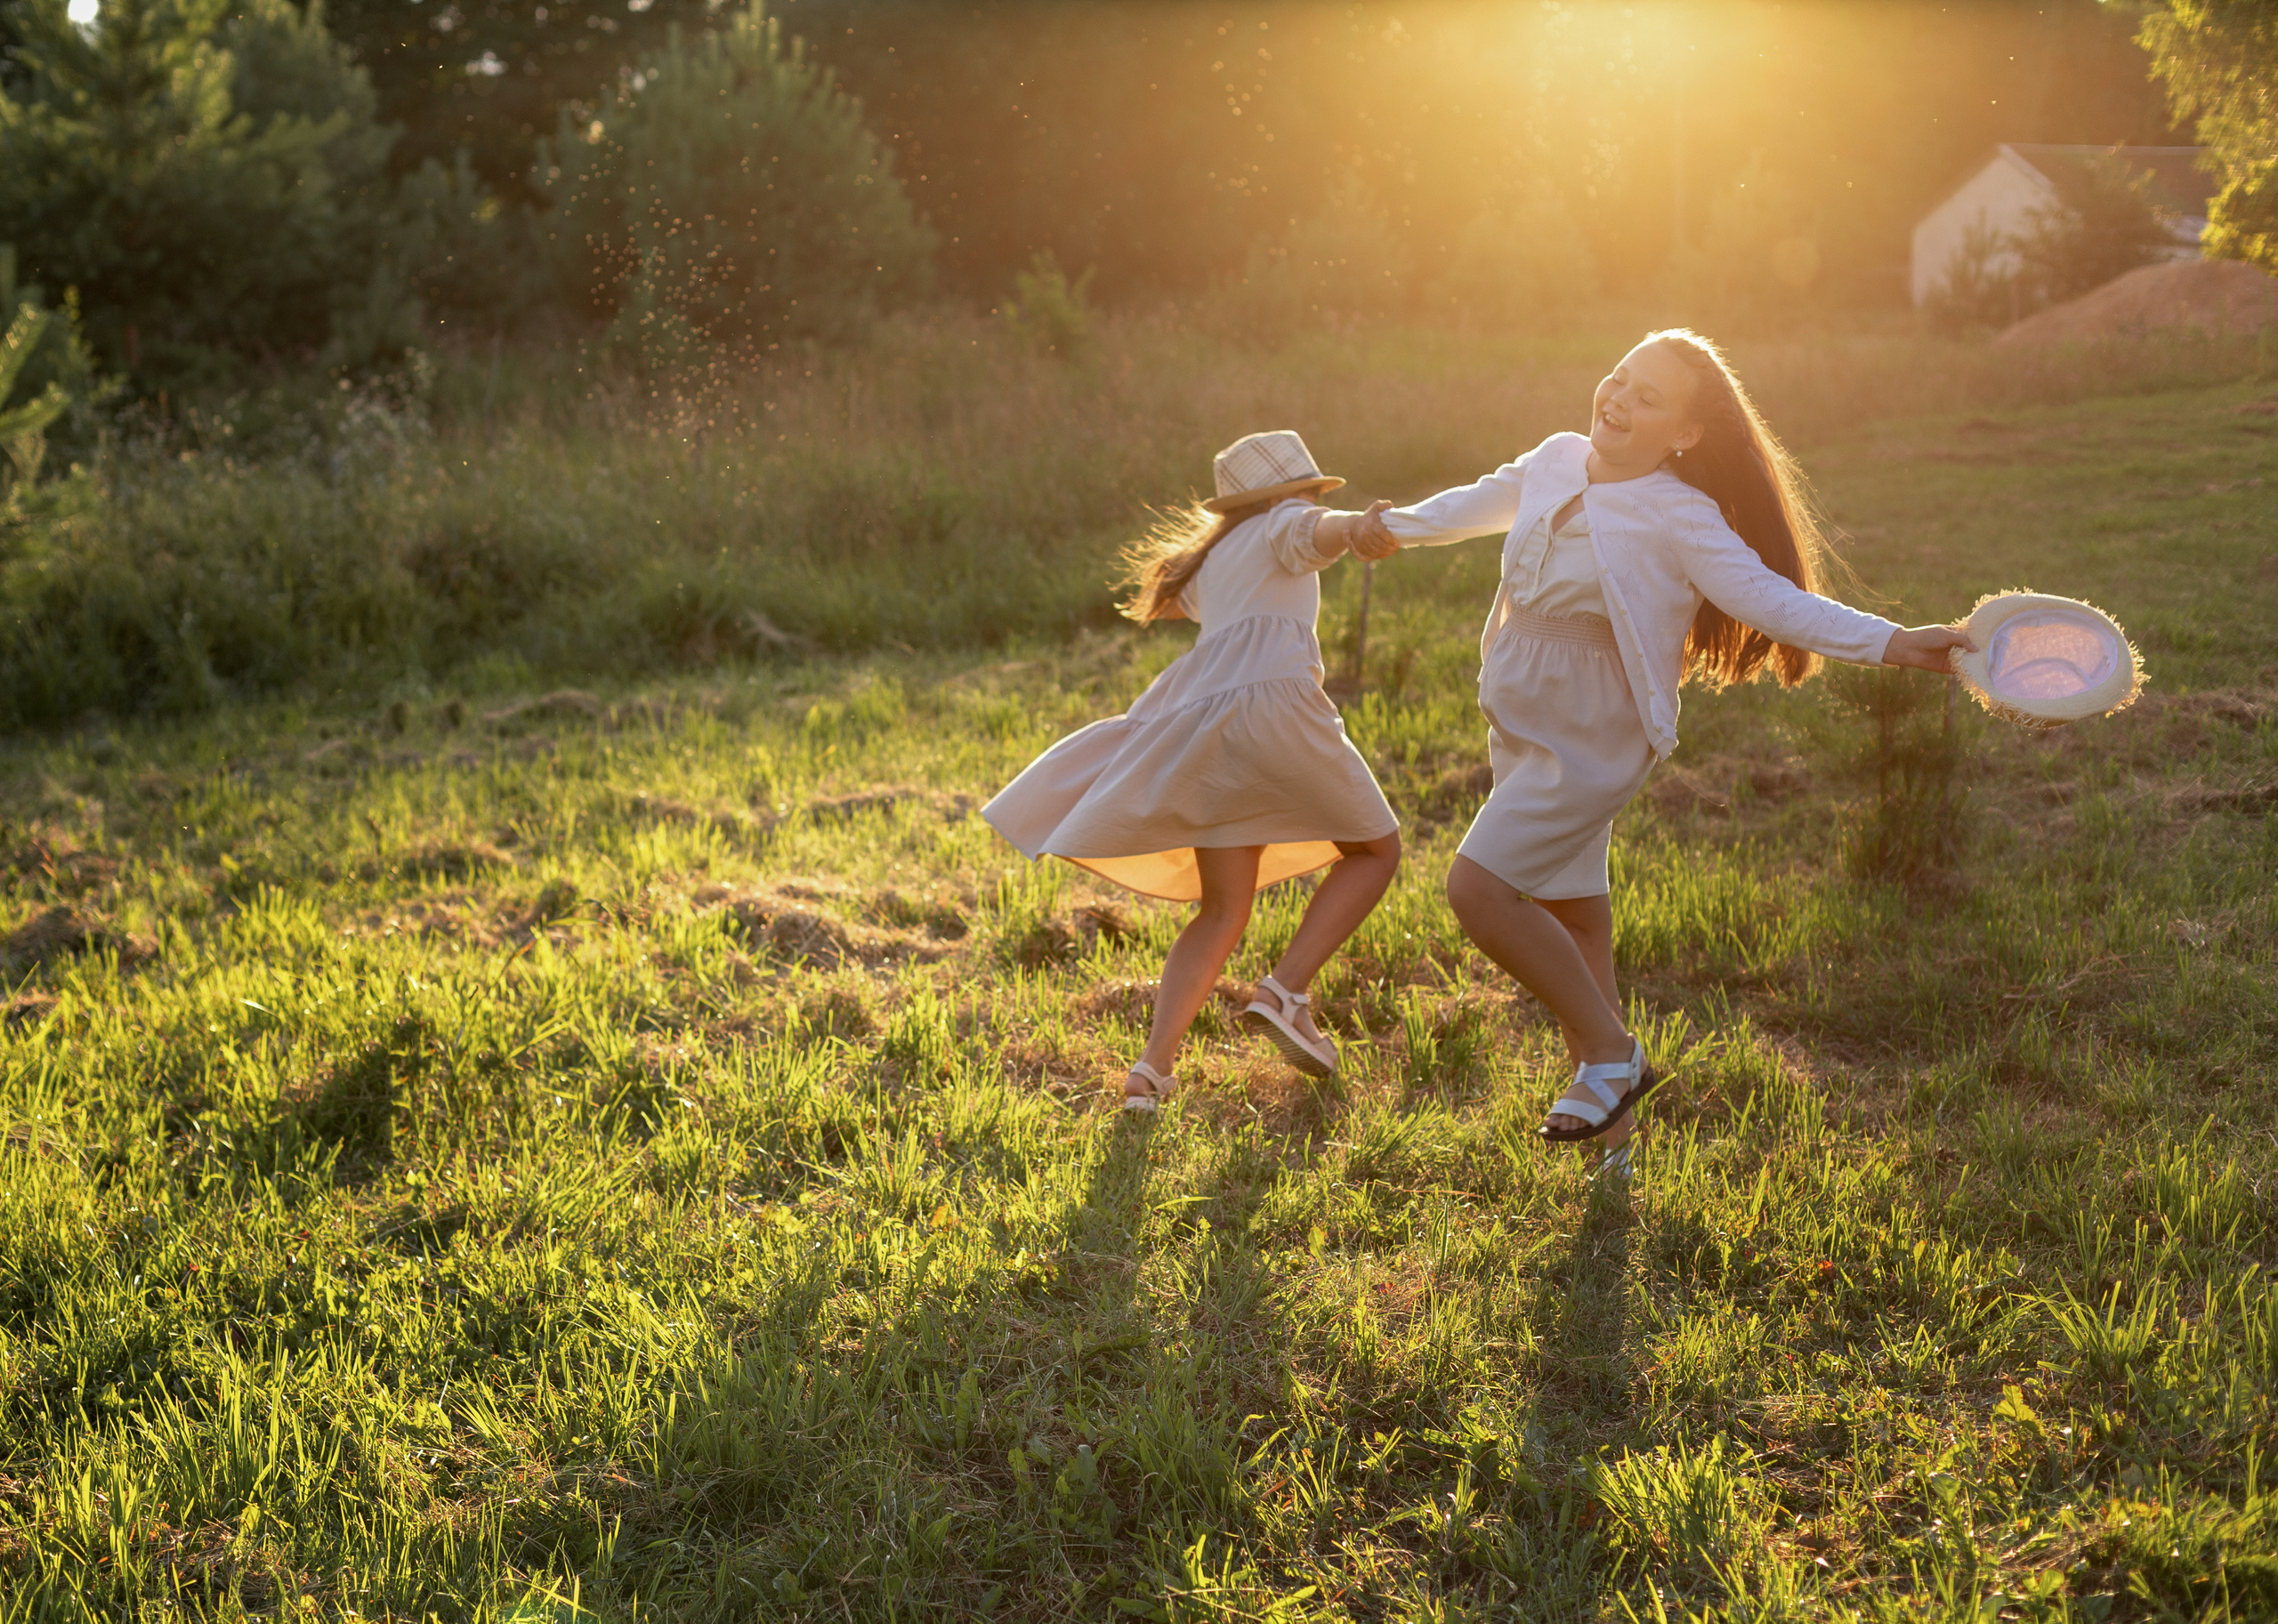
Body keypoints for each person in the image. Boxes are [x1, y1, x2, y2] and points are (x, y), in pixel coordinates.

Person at [1356, 329, 1972, 1174]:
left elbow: (1771, 599)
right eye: (1619, 377)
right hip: (1522, 719)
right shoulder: (1555, 458)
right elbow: (1473, 501)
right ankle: (1617, 1152)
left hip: (1594, 728)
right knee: (1578, 918)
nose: (1619, 398)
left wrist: (1898, 643)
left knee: (1479, 889)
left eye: (1649, 398)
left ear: (1684, 435)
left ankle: (1614, 1055)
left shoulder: (1681, 512)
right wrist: (1389, 527)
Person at [984, 431, 1405, 1111]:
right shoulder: (1283, 525)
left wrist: (1342, 530)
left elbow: (1249, 575)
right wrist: (1357, 527)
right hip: (1276, 714)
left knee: (1222, 909)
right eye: (1305, 492)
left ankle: (1151, 1071)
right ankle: (1286, 990)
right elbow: (1313, 531)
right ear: (1286, 495)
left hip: (1210, 732)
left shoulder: (1212, 560)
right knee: (1377, 850)